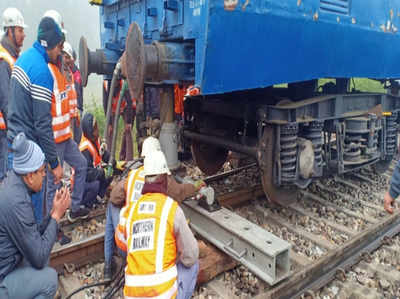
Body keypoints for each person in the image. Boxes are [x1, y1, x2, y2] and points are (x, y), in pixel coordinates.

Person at [115, 150, 199, 299]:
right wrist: (174, 255)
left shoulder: (131, 209)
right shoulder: (171, 209)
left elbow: (121, 243)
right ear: (165, 179)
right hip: (163, 295)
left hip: (131, 295)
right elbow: (191, 256)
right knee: (193, 264)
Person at [7, 16, 64, 223]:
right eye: (59, 46)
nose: (60, 51)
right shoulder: (41, 72)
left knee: (18, 216)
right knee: (33, 218)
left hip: (14, 146)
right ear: (50, 44)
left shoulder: (24, 59)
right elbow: (42, 125)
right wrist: (54, 163)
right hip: (30, 156)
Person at [0, 132, 71, 299]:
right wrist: (56, 216)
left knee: (41, 266)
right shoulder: (16, 203)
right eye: (42, 171)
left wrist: (53, 211)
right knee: (49, 280)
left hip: (8, 264)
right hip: (3, 277)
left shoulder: (15, 185)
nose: (45, 175)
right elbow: (38, 256)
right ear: (30, 176)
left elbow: (32, 234)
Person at [45, 42, 89, 223]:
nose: (66, 59)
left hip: (66, 136)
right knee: (52, 180)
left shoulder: (68, 75)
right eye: (63, 55)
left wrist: (73, 127)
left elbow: (70, 106)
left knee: (81, 164)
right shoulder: (49, 73)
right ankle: (50, 221)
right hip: (55, 139)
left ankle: (75, 207)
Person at [0, 7, 27, 182]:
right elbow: (7, 102)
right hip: (6, 134)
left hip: (9, 131)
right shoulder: (4, 61)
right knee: (7, 177)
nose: (23, 35)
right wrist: (17, 135)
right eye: (20, 30)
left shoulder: (13, 58)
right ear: (9, 31)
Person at [78, 112, 112, 210]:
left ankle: (97, 199)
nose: (98, 131)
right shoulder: (84, 148)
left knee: (109, 173)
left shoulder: (96, 140)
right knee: (95, 184)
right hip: (81, 183)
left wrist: (113, 163)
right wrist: (102, 173)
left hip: (93, 174)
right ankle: (86, 205)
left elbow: (105, 155)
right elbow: (87, 174)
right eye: (95, 128)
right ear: (90, 131)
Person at [103, 79, 135, 160]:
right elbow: (106, 105)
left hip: (124, 107)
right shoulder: (106, 84)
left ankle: (129, 159)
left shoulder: (124, 83)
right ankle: (108, 158)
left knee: (128, 130)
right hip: (113, 109)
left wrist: (128, 122)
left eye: (117, 82)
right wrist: (109, 123)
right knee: (109, 131)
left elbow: (129, 101)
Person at [63, 41, 82, 143]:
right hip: (66, 119)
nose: (69, 60)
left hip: (74, 116)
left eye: (69, 57)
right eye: (66, 57)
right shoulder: (59, 75)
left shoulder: (70, 73)